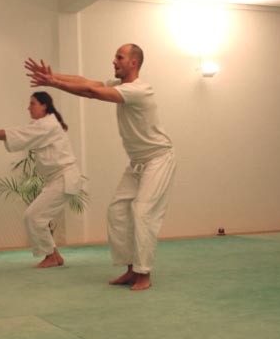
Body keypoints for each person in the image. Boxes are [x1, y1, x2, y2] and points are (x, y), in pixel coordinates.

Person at [25, 44, 175, 290]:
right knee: (117, 212)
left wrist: (54, 83)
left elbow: (91, 92)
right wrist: (53, 76)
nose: (114, 61)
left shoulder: (139, 90)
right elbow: (87, 82)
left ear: (133, 63)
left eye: (119, 57)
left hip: (158, 159)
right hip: (137, 162)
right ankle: (130, 269)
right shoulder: (120, 86)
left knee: (142, 212)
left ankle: (144, 273)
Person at [0, 91, 82, 268]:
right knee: (36, 216)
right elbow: (19, 136)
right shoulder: (43, 125)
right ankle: (54, 256)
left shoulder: (48, 125)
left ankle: (50, 256)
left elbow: (17, 134)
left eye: (32, 103)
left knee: (33, 216)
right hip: (58, 179)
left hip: (64, 177)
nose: (28, 107)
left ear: (44, 106)